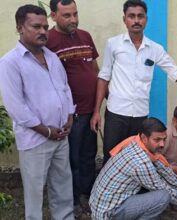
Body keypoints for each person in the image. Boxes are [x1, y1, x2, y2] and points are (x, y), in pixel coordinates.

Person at [90, 0, 177, 164]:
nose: (136, 20)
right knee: (111, 157)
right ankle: (107, 190)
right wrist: (96, 111)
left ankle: (133, 191)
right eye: (131, 16)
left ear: (146, 19)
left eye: (140, 16)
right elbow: (104, 77)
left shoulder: (155, 49)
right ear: (125, 19)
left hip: (140, 115)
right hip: (116, 113)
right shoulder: (113, 44)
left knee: (136, 159)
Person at [0, 5, 74, 219]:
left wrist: (69, 116)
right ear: (20, 28)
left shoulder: (52, 57)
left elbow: (65, 88)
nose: (43, 31)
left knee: (62, 187)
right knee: (34, 193)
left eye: (45, 27)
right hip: (35, 139)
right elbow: (16, 107)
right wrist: (46, 131)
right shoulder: (10, 63)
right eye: (36, 26)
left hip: (61, 136)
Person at [89, 117, 177, 220]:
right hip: (109, 213)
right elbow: (164, 189)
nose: (162, 144)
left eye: (164, 139)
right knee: (163, 196)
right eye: (157, 140)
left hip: (102, 203)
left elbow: (165, 171)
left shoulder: (136, 141)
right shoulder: (141, 162)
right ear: (144, 138)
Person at [46, 0, 99, 215]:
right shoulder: (48, 40)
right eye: (67, 15)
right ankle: (73, 200)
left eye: (75, 14)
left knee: (89, 156)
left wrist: (99, 104)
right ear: (53, 16)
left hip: (91, 111)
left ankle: (89, 194)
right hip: (70, 115)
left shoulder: (85, 36)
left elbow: (94, 68)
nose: (73, 20)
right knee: (71, 160)